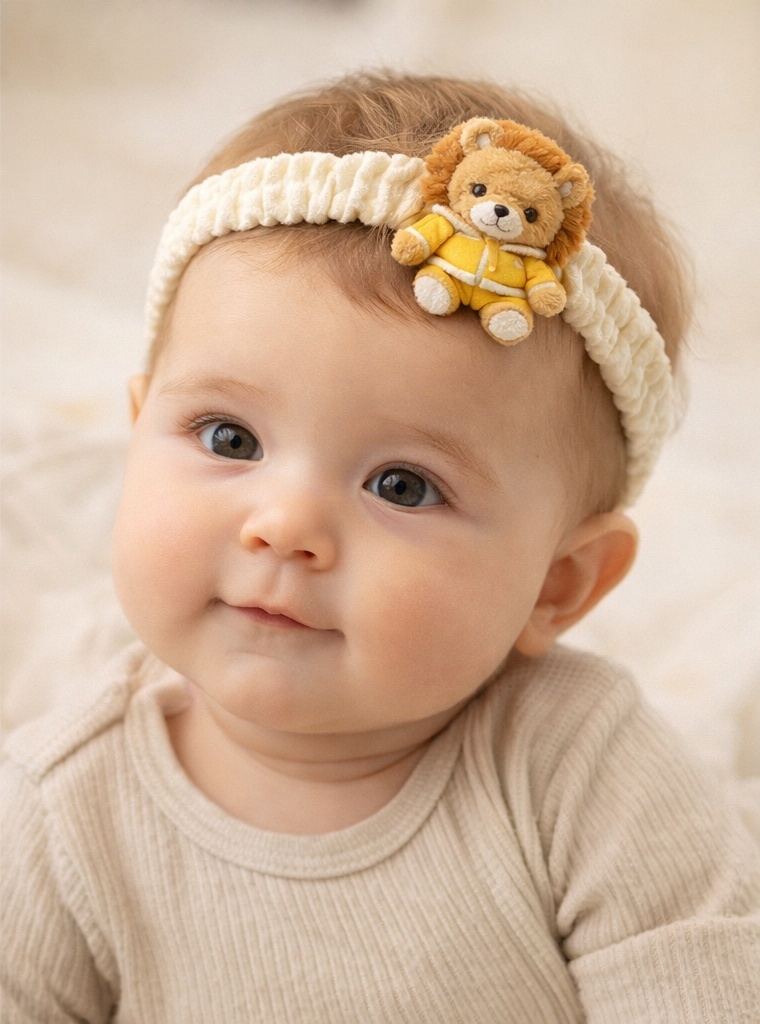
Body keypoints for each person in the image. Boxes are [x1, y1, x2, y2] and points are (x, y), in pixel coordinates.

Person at [1, 71, 758, 1023]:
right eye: (229, 438)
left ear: (557, 587)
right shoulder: (58, 815)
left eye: (403, 486)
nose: (284, 525)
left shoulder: (583, 766)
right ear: (137, 430)